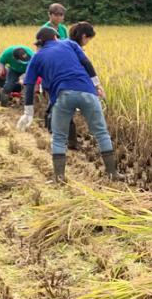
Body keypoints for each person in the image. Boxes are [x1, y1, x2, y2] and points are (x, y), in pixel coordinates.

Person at [17, 27, 118, 182]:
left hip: (62, 96)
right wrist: (97, 85)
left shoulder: (36, 57)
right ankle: (113, 174)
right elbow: (86, 63)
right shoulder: (70, 44)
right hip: (87, 92)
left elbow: (29, 85)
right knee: (101, 133)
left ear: (40, 43)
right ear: (56, 37)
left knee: (59, 137)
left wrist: (28, 112)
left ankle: (59, 178)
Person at [44, 22, 98, 149]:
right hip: (67, 84)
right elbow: (86, 66)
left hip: (54, 82)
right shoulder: (74, 48)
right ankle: (70, 142)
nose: (88, 42)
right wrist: (95, 85)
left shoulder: (62, 45)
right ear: (84, 36)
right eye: (89, 39)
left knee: (54, 108)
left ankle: (54, 135)